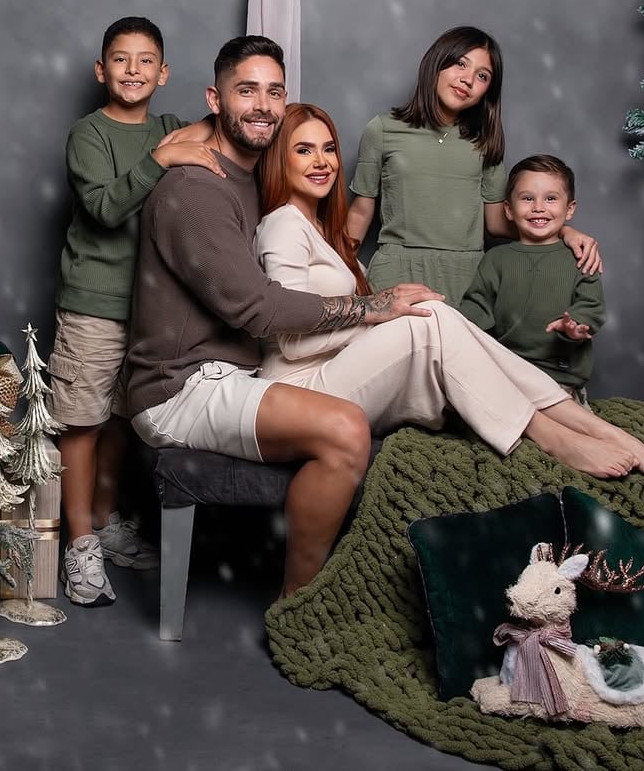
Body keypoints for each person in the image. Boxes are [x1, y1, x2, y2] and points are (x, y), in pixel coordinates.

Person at [125, 36, 442, 597]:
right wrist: (374, 306)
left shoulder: (246, 177)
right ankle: (301, 605)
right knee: (346, 429)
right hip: (177, 390)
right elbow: (258, 308)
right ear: (215, 98)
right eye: (246, 90)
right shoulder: (192, 189)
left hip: (235, 375)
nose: (263, 105)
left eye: (274, 92)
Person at [253, 102, 644, 483]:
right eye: (304, 150)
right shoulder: (283, 225)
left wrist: (564, 231)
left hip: (337, 378)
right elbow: (290, 338)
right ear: (280, 160)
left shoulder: (326, 233)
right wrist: (377, 314)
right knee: (429, 315)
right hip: (298, 392)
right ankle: (551, 435)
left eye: (328, 149)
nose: (322, 161)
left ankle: (599, 430)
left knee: (433, 316)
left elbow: (506, 220)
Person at [53, 16, 220, 606]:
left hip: (153, 308)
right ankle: (78, 544)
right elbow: (104, 208)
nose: (133, 70)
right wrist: (165, 159)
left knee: (125, 416)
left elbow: (227, 127)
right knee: (83, 419)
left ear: (163, 73)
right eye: (120, 59)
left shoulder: (175, 127)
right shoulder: (89, 134)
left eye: (146, 60)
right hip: (94, 304)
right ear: (102, 70)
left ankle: (105, 518)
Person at [345, 26, 601, 306]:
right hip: (397, 273)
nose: (467, 80)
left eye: (482, 76)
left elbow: (496, 222)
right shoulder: (382, 130)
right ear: (436, 64)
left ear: (487, 92)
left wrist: (562, 231)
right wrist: (343, 273)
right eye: (460, 64)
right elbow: (361, 210)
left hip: (465, 278)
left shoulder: (485, 142)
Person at [459, 155, 604, 403]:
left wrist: (575, 326)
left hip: (561, 379)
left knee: (560, 434)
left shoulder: (581, 256)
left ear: (569, 209)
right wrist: (448, 323)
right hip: (508, 374)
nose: (538, 207)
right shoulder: (496, 259)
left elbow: (591, 305)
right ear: (508, 209)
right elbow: (476, 308)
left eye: (550, 198)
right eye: (527, 198)